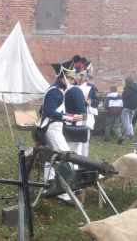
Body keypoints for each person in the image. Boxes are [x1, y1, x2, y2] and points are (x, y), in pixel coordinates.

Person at [38, 60, 83, 206]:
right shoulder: (56, 91)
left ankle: (48, 186)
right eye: (70, 78)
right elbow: (47, 111)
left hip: (53, 127)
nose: (72, 80)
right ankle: (63, 194)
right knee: (65, 157)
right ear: (63, 78)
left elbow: (43, 110)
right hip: (53, 128)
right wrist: (70, 117)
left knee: (50, 157)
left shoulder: (58, 90)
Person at [75, 59, 99, 157]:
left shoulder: (90, 87)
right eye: (79, 76)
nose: (81, 79)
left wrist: (88, 100)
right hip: (75, 116)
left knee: (85, 139)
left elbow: (96, 101)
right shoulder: (71, 86)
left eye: (83, 76)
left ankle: (84, 158)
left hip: (86, 116)